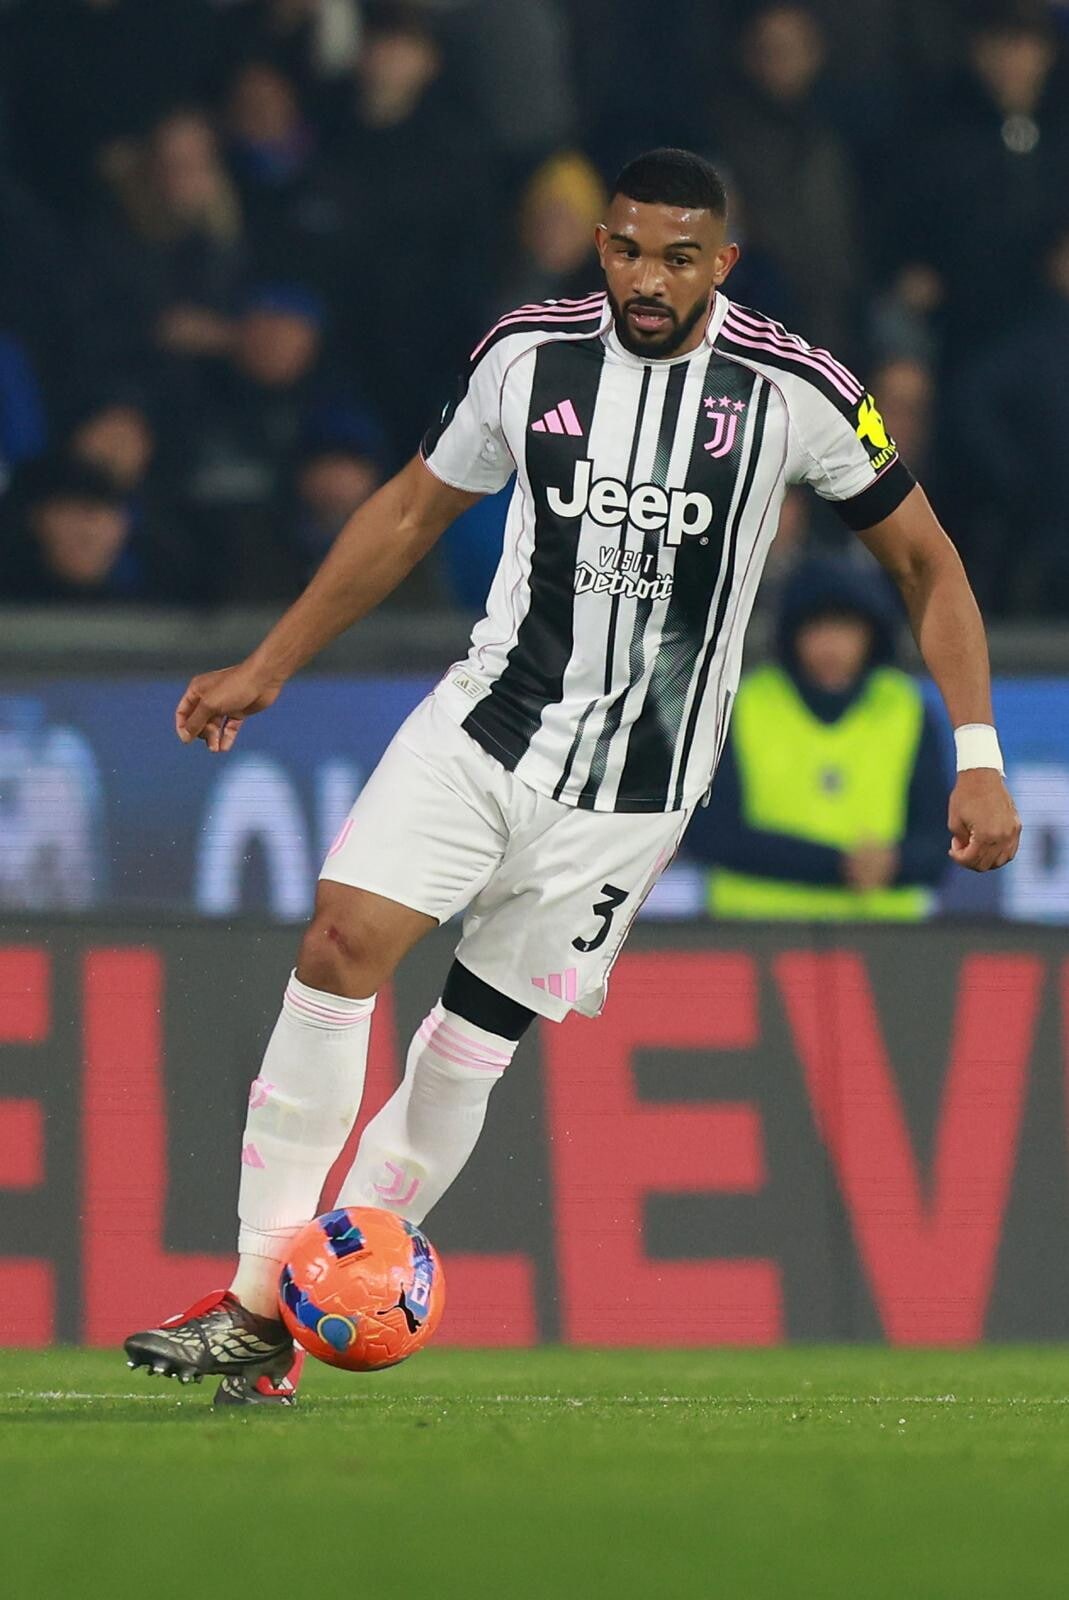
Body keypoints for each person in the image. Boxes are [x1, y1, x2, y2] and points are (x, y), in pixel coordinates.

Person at [123, 147, 1020, 1405]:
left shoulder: (797, 390)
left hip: (632, 796)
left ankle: (290, 1324)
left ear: (723, 263)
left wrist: (977, 755)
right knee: (338, 942)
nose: (646, 279)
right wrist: (271, 663)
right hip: (484, 729)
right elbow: (410, 511)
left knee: (467, 1046)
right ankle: (258, 1295)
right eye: (626, 250)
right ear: (600, 243)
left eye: (677, 258)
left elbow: (926, 563)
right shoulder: (526, 355)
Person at [686, 556, 948, 918]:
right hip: (756, 932)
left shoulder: (908, 710)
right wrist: (839, 866)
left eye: (846, 628)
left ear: (872, 634)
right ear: (792, 633)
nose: (831, 646)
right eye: (817, 627)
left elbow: (939, 844)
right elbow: (711, 836)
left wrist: (895, 862)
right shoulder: (743, 706)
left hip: (881, 937)